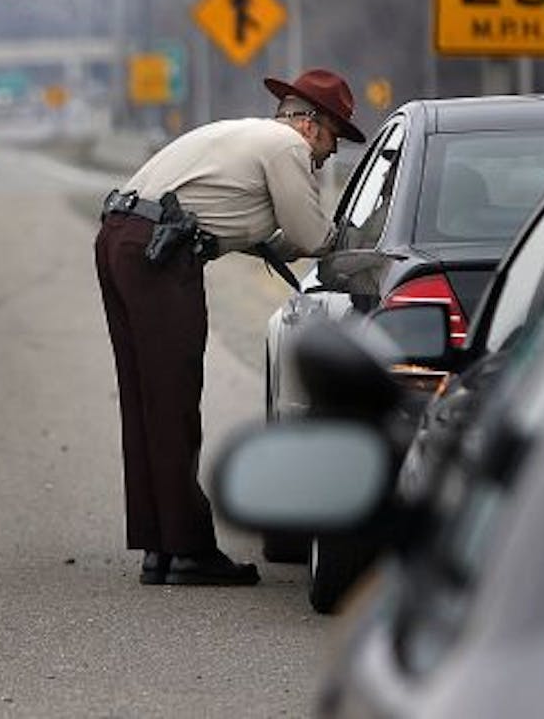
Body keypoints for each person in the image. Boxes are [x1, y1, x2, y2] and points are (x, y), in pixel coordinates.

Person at [94, 67, 365, 586]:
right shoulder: (286, 148)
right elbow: (311, 235)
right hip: (160, 256)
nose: (329, 154)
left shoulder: (245, 135)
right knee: (174, 400)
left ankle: (161, 546)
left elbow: (260, 232)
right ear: (310, 124)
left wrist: (306, 239)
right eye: (332, 138)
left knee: (147, 398)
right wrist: (353, 242)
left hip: (122, 239)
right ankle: (190, 551)